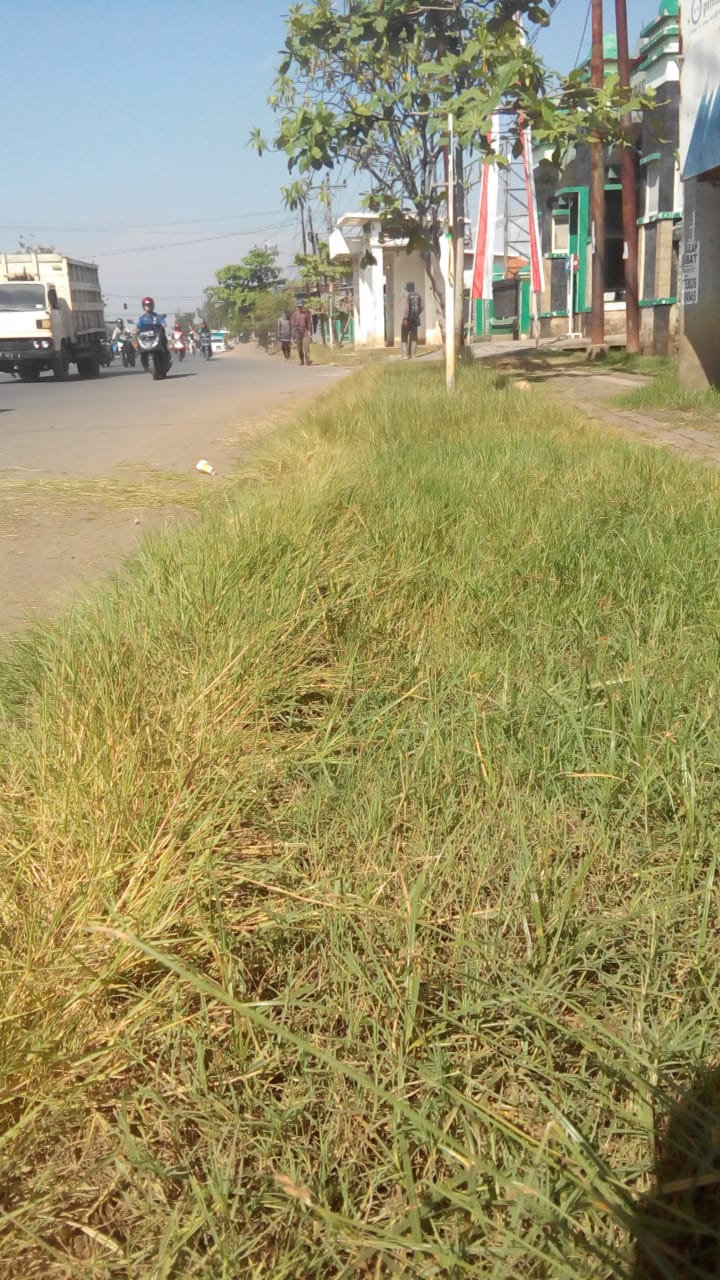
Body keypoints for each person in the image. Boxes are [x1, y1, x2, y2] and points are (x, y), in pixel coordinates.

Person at [401, 282, 423, 359]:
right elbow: (422, 307)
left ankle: (405, 355)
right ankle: (413, 355)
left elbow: (406, 308)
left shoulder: (407, 295)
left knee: (404, 336)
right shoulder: (418, 295)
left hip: (408, 319)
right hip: (415, 319)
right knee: (414, 337)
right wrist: (417, 313)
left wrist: (405, 318)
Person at [290, 300, 313, 366]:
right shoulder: (294, 315)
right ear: (297, 307)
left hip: (305, 331)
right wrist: (295, 327)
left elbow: (309, 323)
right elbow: (292, 323)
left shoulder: (306, 314)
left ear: (303, 307)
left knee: (306, 347)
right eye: (299, 307)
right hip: (297, 332)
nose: (300, 308)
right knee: (299, 349)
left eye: (301, 306)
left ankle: (308, 360)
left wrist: (310, 332)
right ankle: (301, 361)